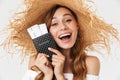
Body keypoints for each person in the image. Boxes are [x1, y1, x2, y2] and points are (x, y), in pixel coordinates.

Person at [0, 0, 119, 80]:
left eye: (68, 20)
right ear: (47, 31)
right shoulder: (36, 61)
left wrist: (60, 75)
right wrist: (47, 75)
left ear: (77, 25)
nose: (63, 27)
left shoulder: (90, 63)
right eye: (54, 24)